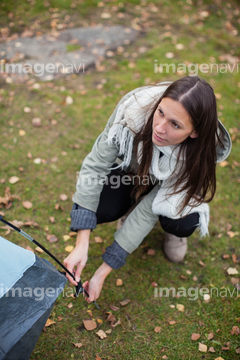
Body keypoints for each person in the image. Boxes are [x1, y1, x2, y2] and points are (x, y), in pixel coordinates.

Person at [63, 76, 231, 304]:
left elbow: (148, 211)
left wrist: (103, 271)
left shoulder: (197, 154)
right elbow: (95, 166)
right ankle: (129, 205)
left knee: (181, 221)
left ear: (194, 132)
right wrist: (82, 243)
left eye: (175, 124)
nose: (160, 128)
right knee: (102, 206)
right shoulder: (132, 111)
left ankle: (173, 232)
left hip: (170, 184)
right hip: (136, 169)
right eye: (160, 112)